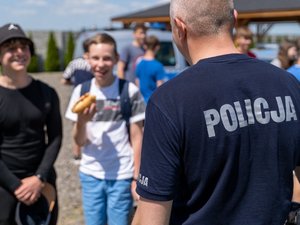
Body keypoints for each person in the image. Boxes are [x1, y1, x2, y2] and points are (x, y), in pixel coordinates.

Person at [132, 0, 300, 224]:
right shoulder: (287, 83)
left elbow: (152, 218)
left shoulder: (169, 101)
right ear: (235, 18)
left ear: (179, 27)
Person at [65, 33, 145, 225]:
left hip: (122, 175)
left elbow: (137, 136)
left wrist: (137, 177)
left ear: (116, 59)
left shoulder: (129, 91)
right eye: (95, 58)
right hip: (91, 173)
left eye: (107, 58)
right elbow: (78, 141)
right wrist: (82, 122)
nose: (100, 64)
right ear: (86, 58)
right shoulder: (81, 92)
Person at [0, 23, 62, 225]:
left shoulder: (47, 92)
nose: (19, 52)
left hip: (42, 181)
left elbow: (55, 137)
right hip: (4, 183)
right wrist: (15, 185)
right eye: (10, 48)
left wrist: (39, 177)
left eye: (24, 47)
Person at [62, 38, 94, 162]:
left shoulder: (74, 63)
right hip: (91, 98)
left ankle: (76, 154)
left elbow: (64, 79)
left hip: (78, 98)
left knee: (76, 125)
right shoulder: (93, 64)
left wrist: (74, 83)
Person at [135, 35, 165, 104]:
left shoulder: (139, 63)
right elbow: (160, 88)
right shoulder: (158, 66)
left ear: (145, 46)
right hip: (153, 103)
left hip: (141, 102)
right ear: (157, 47)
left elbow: (137, 83)